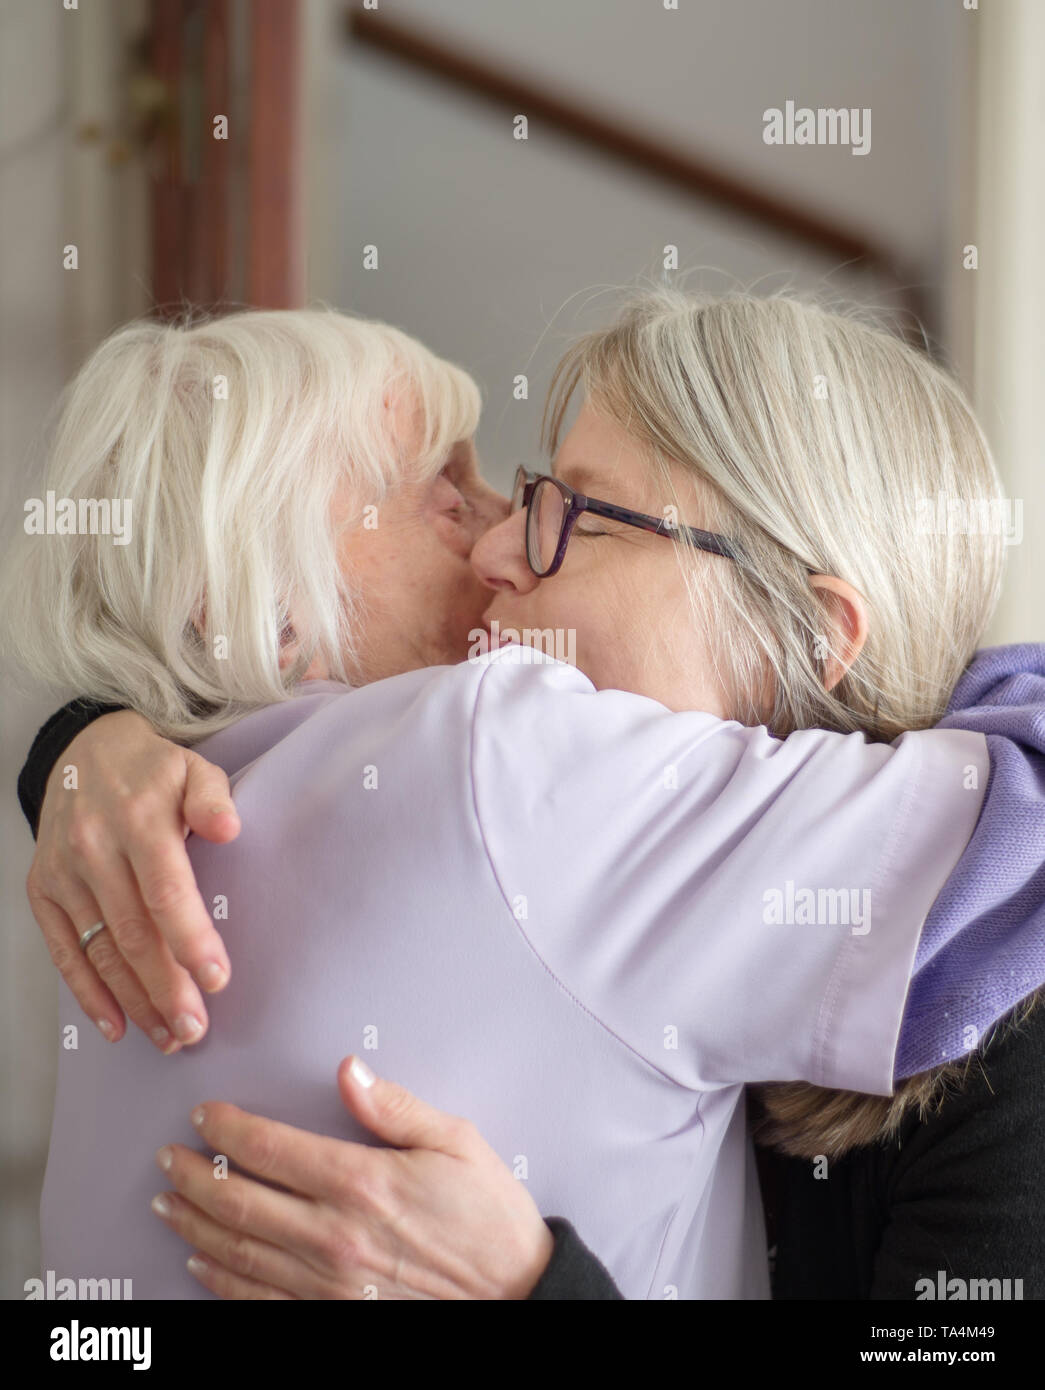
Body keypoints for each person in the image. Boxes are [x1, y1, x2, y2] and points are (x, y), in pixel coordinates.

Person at [10, 294, 1044, 1299]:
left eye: (577, 519)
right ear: (269, 612)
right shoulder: (504, 762)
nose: (505, 543)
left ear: (804, 638)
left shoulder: (141, 853)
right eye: (449, 495)